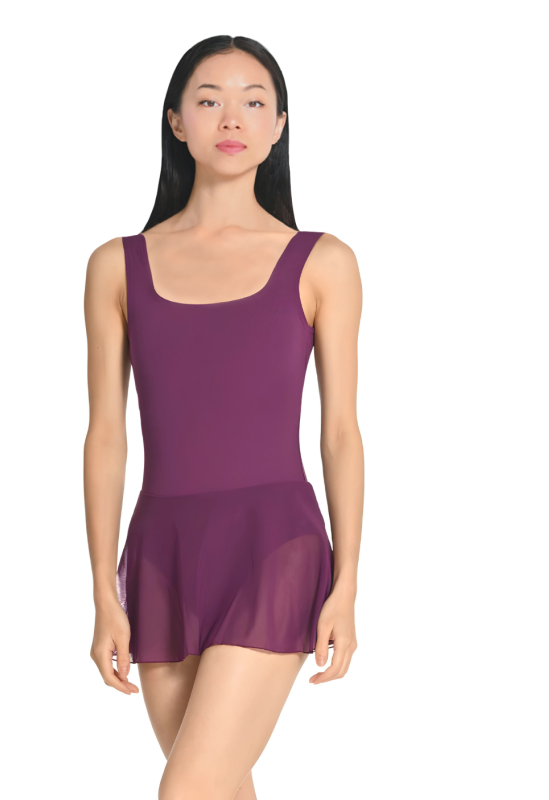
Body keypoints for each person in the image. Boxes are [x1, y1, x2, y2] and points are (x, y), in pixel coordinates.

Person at [83, 35, 364, 799]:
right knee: (220, 789)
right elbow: (105, 436)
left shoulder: (323, 262)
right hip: (161, 557)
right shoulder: (116, 266)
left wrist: (347, 582)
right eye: (209, 100)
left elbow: (341, 433)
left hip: (275, 548)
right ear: (176, 121)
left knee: (187, 790)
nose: (231, 118)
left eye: (253, 102)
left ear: (279, 126)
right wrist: (104, 591)